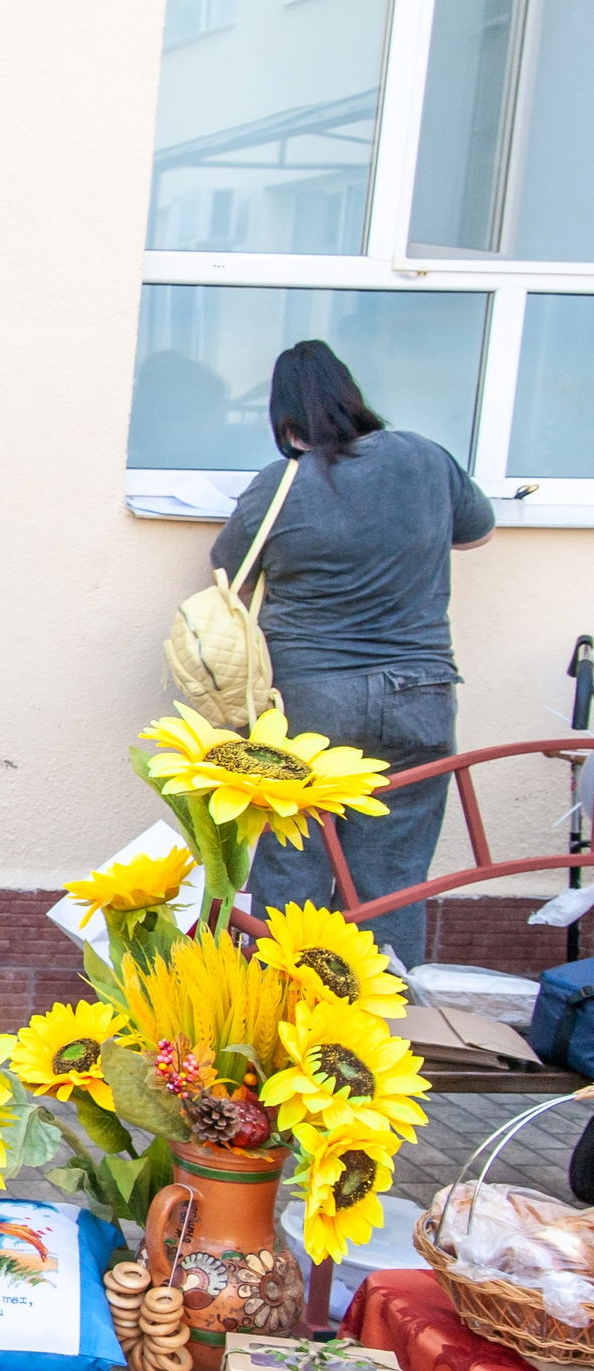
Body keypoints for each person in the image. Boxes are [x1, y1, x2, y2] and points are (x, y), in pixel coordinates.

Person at [209, 339, 496, 969]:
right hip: (419, 695)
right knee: (394, 876)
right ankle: (383, 1016)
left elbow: (230, 575)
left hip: (310, 703)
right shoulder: (425, 458)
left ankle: (284, 1011)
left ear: (284, 419)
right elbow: (476, 532)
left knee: (294, 868)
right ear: (351, 397)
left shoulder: (279, 485)